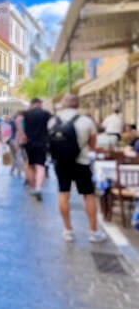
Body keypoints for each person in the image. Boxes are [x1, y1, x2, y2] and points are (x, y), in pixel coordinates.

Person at [48, 94, 107, 243]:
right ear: (77, 105)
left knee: (63, 193)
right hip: (82, 162)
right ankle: (94, 232)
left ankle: (68, 230)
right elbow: (93, 146)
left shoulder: (52, 121)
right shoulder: (86, 121)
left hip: (61, 163)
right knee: (88, 195)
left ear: (62, 105)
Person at [22, 97, 52, 201]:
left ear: (32, 104)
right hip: (42, 144)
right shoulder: (46, 114)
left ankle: (33, 187)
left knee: (30, 166)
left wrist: (22, 136)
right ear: (39, 103)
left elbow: (18, 123)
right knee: (40, 166)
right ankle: (39, 188)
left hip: (28, 143)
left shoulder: (26, 114)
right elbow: (51, 127)